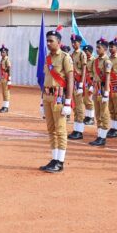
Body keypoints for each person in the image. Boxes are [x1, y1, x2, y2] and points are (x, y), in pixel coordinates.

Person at [39, 27, 74, 173]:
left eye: (51, 41)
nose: (48, 43)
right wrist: (42, 101)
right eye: (47, 40)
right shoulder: (47, 59)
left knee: (60, 130)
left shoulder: (65, 57)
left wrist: (68, 101)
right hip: (47, 96)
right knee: (51, 130)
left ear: (58, 42)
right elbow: (45, 79)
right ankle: (54, 158)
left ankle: (60, 161)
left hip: (58, 98)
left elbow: (70, 79)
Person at [88, 38, 113, 147]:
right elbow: (93, 75)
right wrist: (92, 87)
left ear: (105, 49)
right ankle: (99, 135)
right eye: (97, 47)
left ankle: (103, 137)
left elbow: (107, 77)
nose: (97, 49)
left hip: (103, 89)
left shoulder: (107, 61)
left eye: (99, 47)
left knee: (104, 113)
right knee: (97, 113)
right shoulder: (95, 61)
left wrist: (106, 92)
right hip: (96, 89)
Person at [68, 35, 88, 139]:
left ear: (80, 43)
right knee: (75, 107)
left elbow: (84, 69)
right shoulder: (72, 55)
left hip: (79, 83)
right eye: (72, 42)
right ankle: (75, 129)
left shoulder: (82, 54)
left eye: (75, 42)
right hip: (73, 83)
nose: (73, 44)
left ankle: (79, 131)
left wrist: (81, 84)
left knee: (79, 108)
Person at [0, 45, 11, 113]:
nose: (2, 53)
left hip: (6, 77)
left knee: (6, 92)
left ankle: (6, 107)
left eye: (3, 52)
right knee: (3, 92)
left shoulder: (7, 60)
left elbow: (9, 68)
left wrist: (9, 78)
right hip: (2, 77)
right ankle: (4, 106)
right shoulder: (2, 59)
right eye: (1, 52)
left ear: (6, 53)